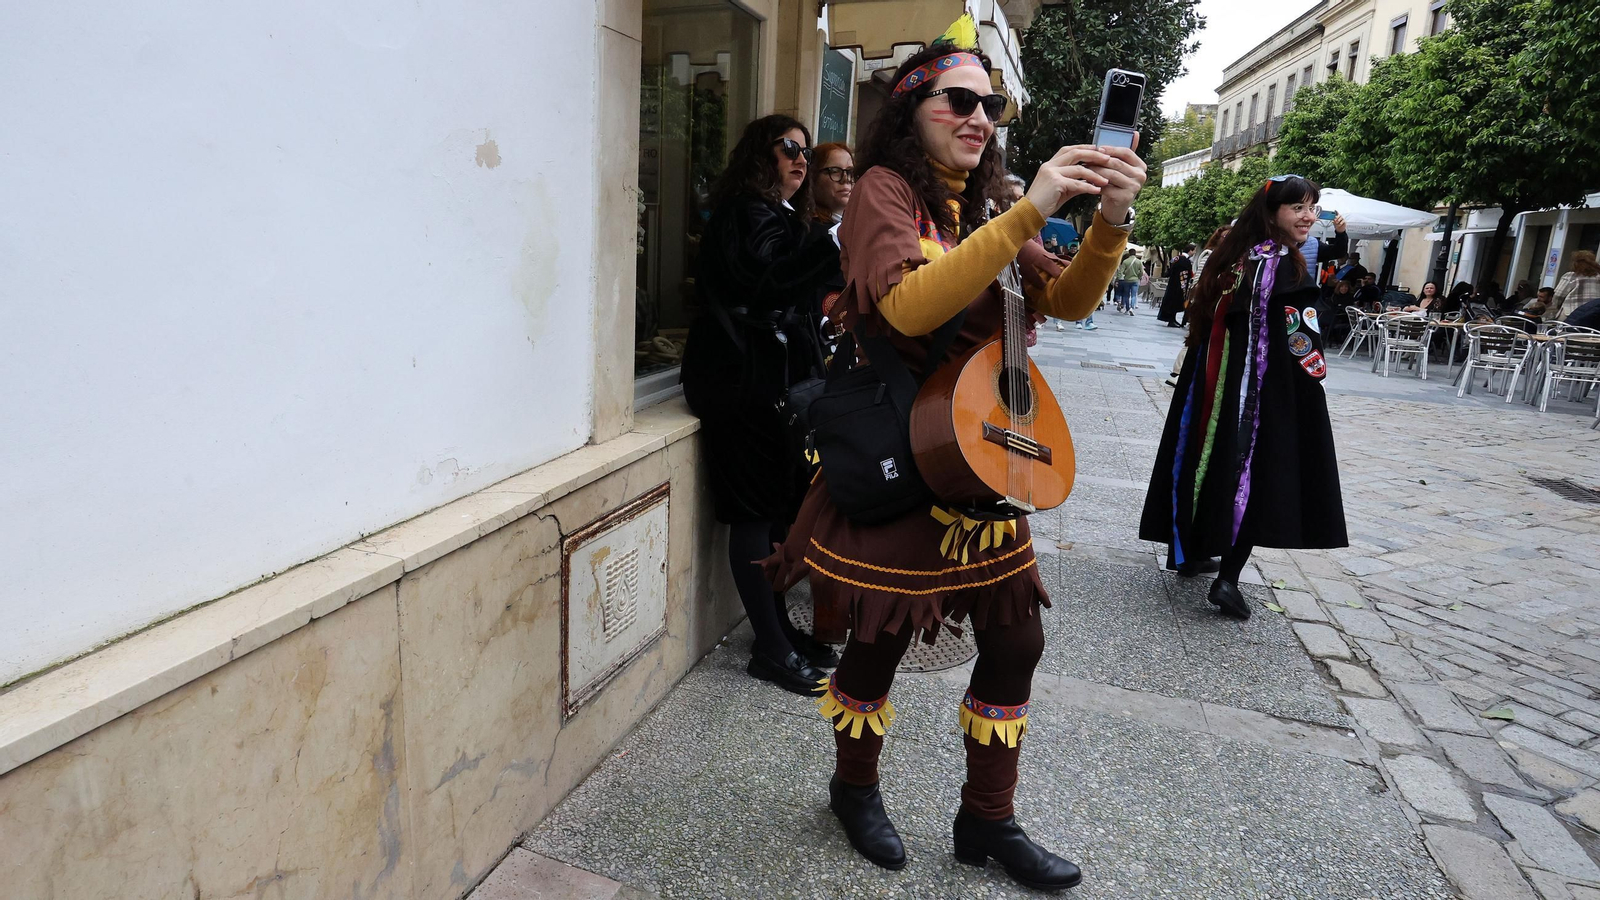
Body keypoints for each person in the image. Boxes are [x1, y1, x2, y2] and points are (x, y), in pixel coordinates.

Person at [762, 16, 1143, 888]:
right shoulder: (881, 195)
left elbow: (1076, 299)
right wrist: (1033, 210)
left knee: (1017, 644)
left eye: (991, 106)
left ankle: (987, 821)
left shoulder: (996, 205)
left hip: (987, 461)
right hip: (908, 459)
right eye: (959, 101)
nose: (981, 118)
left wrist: (1109, 220)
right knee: (876, 645)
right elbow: (906, 309)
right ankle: (854, 789)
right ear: (911, 110)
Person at [680, 115, 842, 694]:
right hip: (738, 380)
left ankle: (773, 630)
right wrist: (831, 241)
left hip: (761, 378)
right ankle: (770, 647)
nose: (802, 160)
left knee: (775, 508)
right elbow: (770, 282)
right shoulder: (748, 210)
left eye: (807, 151)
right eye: (789, 149)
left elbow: (791, 289)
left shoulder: (773, 213)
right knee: (755, 511)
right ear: (760, 155)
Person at [1138, 174, 1348, 619]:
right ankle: (1227, 579)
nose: (1309, 216)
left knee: (1205, 462)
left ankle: (1190, 553)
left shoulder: (1232, 259)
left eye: (1313, 207)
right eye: (1299, 208)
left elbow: (1205, 319)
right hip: (1260, 391)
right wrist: (1309, 388)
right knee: (1256, 473)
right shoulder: (1286, 265)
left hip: (1211, 387)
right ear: (1274, 213)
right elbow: (1301, 337)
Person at [1165, 227, 1229, 387]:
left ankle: (1181, 372)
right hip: (1204, 302)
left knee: (1199, 338)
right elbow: (1199, 279)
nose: (1227, 239)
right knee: (1195, 337)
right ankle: (1177, 372)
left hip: (1214, 303)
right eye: (1224, 236)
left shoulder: (1227, 255)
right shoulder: (1210, 254)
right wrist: (1196, 300)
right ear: (1218, 238)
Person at [1549, 250, 1600, 322]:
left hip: (1571, 314)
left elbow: (1558, 295)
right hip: (1593, 314)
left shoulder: (1571, 276)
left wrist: (1556, 307)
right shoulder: (1598, 277)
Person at [1157, 244, 1195, 327]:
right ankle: (1171, 320)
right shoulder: (1184, 260)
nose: (1194, 253)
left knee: (1171, 301)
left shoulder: (1177, 258)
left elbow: (1169, 270)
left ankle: (1172, 319)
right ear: (1190, 250)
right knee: (1175, 301)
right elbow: (1187, 274)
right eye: (1194, 250)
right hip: (1179, 285)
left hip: (1172, 284)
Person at [1114, 250, 1142, 314]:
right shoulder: (1139, 262)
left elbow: (1121, 272)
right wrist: (1138, 277)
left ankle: (1127, 308)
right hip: (1135, 280)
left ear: (1129, 253)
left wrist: (1118, 279)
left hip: (1127, 280)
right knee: (1133, 295)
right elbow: (1142, 272)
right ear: (1135, 253)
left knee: (1126, 295)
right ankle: (1131, 308)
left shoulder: (1125, 261)